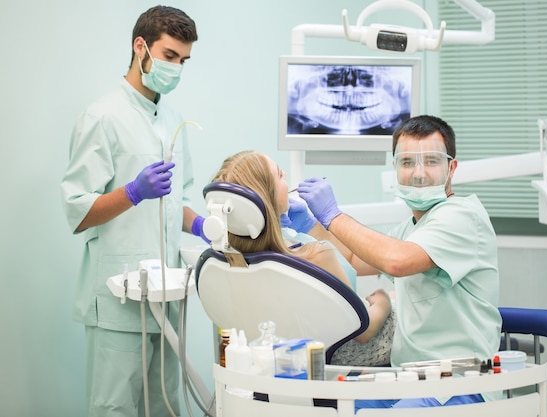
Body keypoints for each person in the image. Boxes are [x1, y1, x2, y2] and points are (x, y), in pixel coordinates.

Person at [291, 115, 502, 407]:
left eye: (431, 161)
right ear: (395, 169)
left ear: (451, 167)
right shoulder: (411, 228)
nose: (418, 173)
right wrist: (312, 225)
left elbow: (396, 261)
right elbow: (354, 258)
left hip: (459, 381)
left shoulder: (463, 215)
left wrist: (333, 215)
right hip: (407, 378)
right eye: (407, 162)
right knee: (326, 405)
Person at [60, 6, 208, 417]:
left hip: (167, 295)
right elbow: (78, 211)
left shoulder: (173, 119)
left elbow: (178, 200)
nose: (176, 68)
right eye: (169, 56)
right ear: (140, 47)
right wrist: (132, 192)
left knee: (166, 405)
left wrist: (201, 225)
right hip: (118, 298)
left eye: (183, 60)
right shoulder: (101, 117)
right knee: (116, 408)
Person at [211, 150, 394, 365]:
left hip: (275, 361)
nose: (286, 175)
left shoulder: (228, 260)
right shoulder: (316, 254)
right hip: (341, 356)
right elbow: (364, 330)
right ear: (268, 196)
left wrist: (310, 226)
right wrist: (384, 299)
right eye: (280, 175)